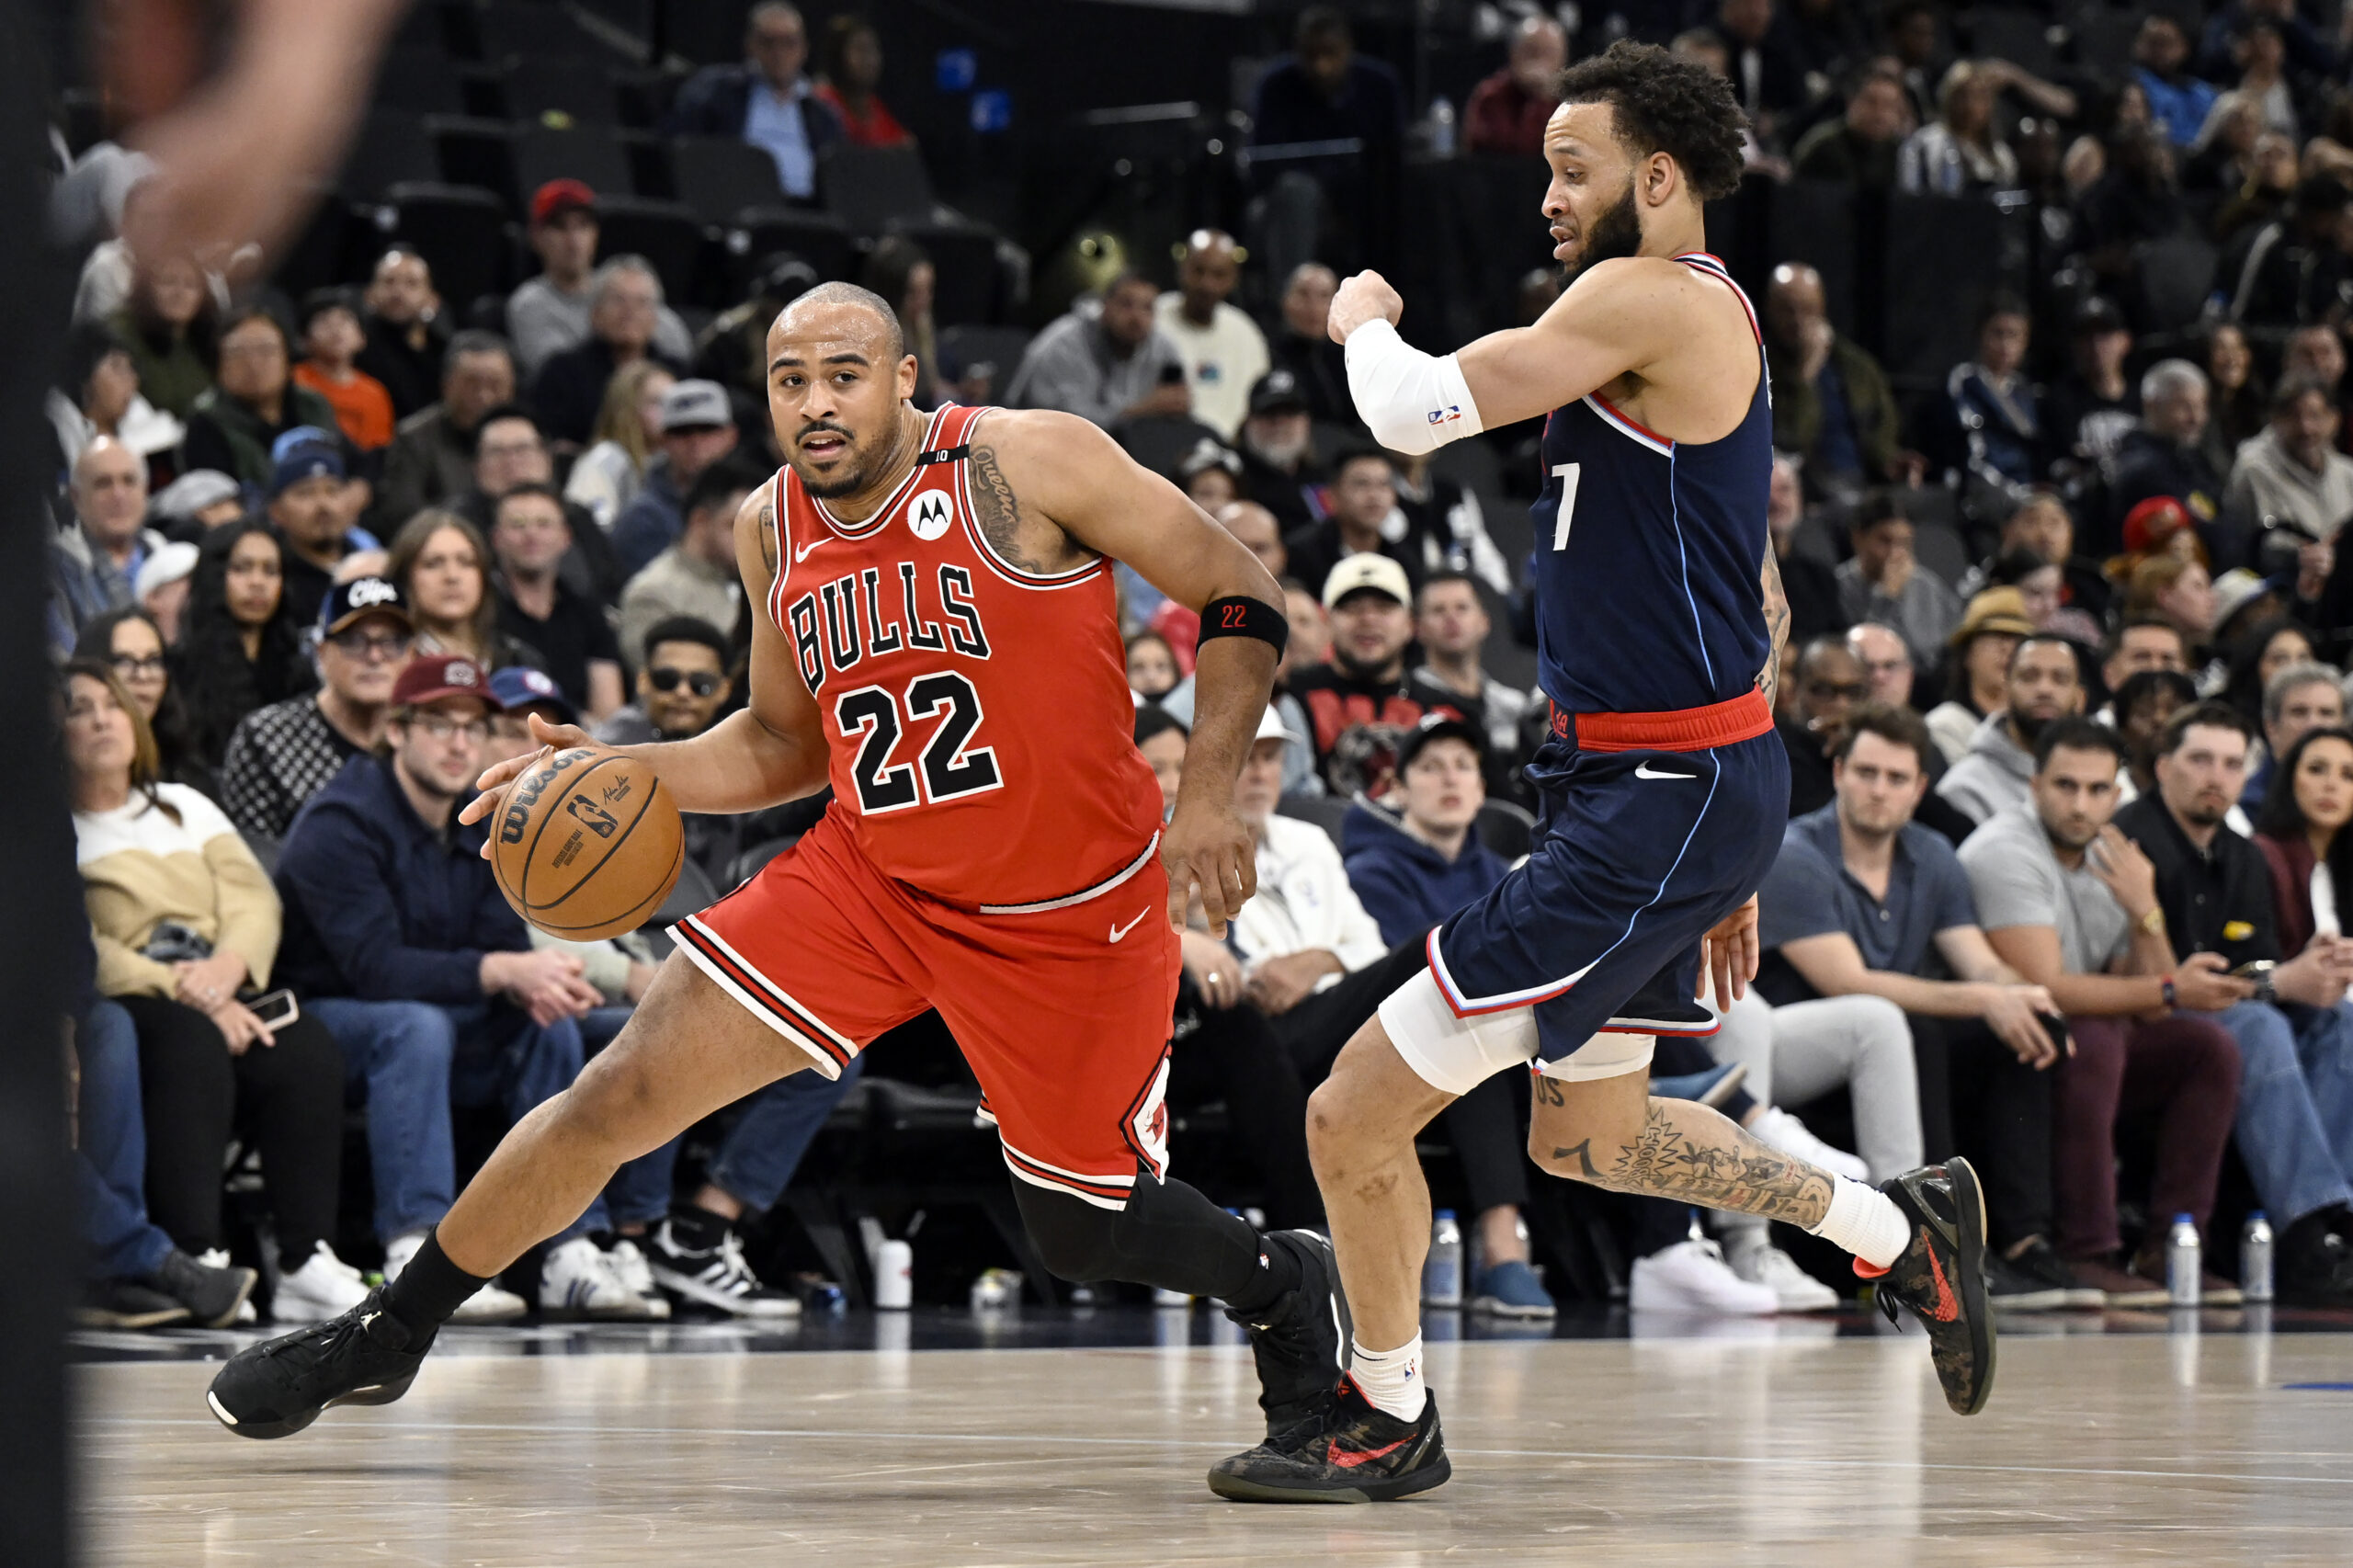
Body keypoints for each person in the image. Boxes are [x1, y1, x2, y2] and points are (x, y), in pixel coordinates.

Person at [210, 281, 1348, 1472]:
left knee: (1084, 1229)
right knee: (620, 1089)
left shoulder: (1025, 461)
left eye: (843, 373)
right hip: (876, 879)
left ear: (905, 378)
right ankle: (395, 1327)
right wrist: (622, 767)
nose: (815, 402)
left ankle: (1282, 1282)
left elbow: (1239, 588)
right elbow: (781, 744)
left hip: (1064, 908)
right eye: (789, 379)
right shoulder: (772, 524)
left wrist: (1208, 792)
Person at [1219, 42, 1994, 1505]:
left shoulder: (1648, 293)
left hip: (1657, 797)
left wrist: (1363, 319)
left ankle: (1385, 1415)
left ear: (1657, 174)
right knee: (1591, 1129)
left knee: (1352, 1110)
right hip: (1664, 790)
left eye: (1571, 169)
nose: (1549, 200)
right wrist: (1727, 833)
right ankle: (1896, 1229)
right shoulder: (1686, 329)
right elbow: (1754, 591)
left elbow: (1408, 413)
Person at [272, 653, 660, 1323]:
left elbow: (506, 945)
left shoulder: (484, 821)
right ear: (396, 730)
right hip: (329, 1025)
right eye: (438, 724)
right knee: (413, 1024)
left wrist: (539, 984)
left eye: (473, 727)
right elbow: (375, 968)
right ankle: (414, 1250)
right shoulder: (339, 822)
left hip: (446, 1022)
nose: (458, 743)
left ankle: (571, 1249)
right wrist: (503, 974)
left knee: (564, 1026)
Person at [63, 661, 367, 1324]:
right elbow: (81, 944)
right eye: (77, 709)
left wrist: (228, 970)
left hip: (221, 980)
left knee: (303, 1046)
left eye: (110, 705)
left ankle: (303, 1261)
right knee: (188, 1042)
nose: (98, 719)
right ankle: (195, 1249)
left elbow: (254, 898)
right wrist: (183, 986)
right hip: (143, 990)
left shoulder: (186, 804)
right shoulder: (59, 826)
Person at [1756, 706, 2080, 1308]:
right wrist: (1987, 996)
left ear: (1920, 788)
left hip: (1890, 1047)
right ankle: (1929, 1247)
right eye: (1867, 773)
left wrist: (2016, 995)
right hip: (1805, 1050)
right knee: (1917, 1030)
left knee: (2017, 1037)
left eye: (1897, 778)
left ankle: (2025, 1244)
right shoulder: (1795, 853)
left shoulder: (1931, 855)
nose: (1880, 790)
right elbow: (1846, 981)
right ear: (1838, 773)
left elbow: (1977, 961)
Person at [1959, 718, 2246, 1302]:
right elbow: (2049, 986)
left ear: (2117, 796)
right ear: (2034, 785)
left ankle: (2170, 1249)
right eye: (2065, 786)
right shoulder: (2003, 850)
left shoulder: (2115, 857)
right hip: (1991, 1036)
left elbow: (2152, 1000)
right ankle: (2085, 1249)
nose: (2080, 805)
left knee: (2207, 1049)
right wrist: (2169, 990)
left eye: (2096, 790)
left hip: (2079, 1040)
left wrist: (2145, 910)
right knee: (2095, 1035)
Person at [2114, 703, 2353, 1305]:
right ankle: (2304, 1227)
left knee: (2340, 1019)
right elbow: (2165, 980)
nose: (2215, 776)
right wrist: (2277, 983)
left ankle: (2335, 1218)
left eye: (2229, 763)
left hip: (2226, 1012)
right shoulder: (2128, 841)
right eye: (2200, 760)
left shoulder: (2241, 855)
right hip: (2143, 1015)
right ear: (2163, 766)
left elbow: (2255, 966)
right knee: (2260, 1024)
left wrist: (2301, 976)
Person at [217, 574, 411, 844]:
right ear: (321, 652)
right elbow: (252, 863)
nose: (375, 656)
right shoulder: (267, 738)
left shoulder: (426, 736)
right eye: (354, 641)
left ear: (411, 655)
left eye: (391, 642)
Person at [506, 181, 695, 381]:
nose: (573, 240)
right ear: (536, 237)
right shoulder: (531, 303)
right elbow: (557, 376)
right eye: (560, 227)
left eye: (583, 226)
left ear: (595, 234)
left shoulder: (619, 285)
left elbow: (678, 348)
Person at [665, 1, 846, 203]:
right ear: (750, 45)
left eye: (788, 43)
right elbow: (684, 151)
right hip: (738, 205)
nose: (778, 53)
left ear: (804, 49)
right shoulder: (716, 93)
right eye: (768, 42)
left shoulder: (822, 114)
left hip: (805, 214)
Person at [1766, 263, 1915, 500]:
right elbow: (1789, 444)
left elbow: (1882, 429)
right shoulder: (1760, 367)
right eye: (1788, 310)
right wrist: (1805, 376)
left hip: (1862, 485)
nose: (1798, 320)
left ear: (1822, 308)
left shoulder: (1856, 367)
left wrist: (1891, 461)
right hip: (1805, 491)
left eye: (1807, 309)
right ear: (1770, 310)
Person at [173, 522, 314, 767]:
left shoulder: (298, 673)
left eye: (270, 570)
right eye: (242, 569)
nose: (257, 582)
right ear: (215, 576)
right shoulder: (180, 669)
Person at [1288, 554, 1428, 796]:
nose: (1368, 619)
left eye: (1384, 608)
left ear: (1410, 624)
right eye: (1353, 608)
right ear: (1327, 622)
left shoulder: (1447, 709)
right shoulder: (1287, 696)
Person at [488, 483, 623, 719]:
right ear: (496, 539)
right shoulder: (482, 611)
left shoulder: (588, 614)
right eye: (518, 525)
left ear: (566, 537)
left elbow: (609, 715)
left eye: (544, 524)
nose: (531, 534)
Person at [529, 257, 687, 450]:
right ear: (595, 312)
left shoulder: (677, 373)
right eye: (618, 300)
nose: (630, 311)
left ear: (655, 318)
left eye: (642, 302)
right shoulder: (561, 372)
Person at [617, 459, 756, 671]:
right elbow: (659, 684)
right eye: (737, 526)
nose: (754, 540)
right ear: (700, 521)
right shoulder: (653, 593)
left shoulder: (753, 583)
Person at [181, 308, 343, 491]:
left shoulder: (312, 405)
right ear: (218, 363)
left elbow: (354, 462)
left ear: (287, 358)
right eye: (238, 353)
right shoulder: (205, 422)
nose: (253, 363)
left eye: (266, 350)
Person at [1006, 273, 1187, 431]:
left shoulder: (1162, 348)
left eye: (1147, 308)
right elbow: (1062, 424)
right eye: (1126, 304)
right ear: (1105, 305)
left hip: (1125, 453)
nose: (1136, 317)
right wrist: (1139, 411)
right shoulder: (1064, 345)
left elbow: (1181, 405)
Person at [1407, 571, 1532, 799]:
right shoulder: (1408, 701)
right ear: (1418, 628)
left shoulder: (1514, 707)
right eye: (1438, 610)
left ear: (1484, 622)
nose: (1451, 618)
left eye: (1462, 608)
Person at [1938, 634, 2086, 825]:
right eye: (2029, 677)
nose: (2044, 689)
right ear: (2005, 689)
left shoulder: (2102, 779)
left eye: (2060, 679)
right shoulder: (1965, 788)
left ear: (2080, 698)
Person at [376, 332, 519, 525]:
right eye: (472, 384)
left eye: (495, 385)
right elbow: (402, 516)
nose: (484, 395)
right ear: (447, 385)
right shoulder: (415, 439)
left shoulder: (526, 439)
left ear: (511, 389)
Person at [74, 608, 212, 799]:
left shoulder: (186, 763)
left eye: (154, 661)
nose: (143, 676)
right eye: (124, 661)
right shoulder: (68, 780)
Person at [611, 379, 742, 578]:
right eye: (682, 432)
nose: (695, 443)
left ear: (731, 436)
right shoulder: (642, 518)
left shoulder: (757, 498)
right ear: (663, 440)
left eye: (707, 429)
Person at [383, 510, 537, 672]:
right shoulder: (386, 661)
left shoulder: (517, 660)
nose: (452, 576)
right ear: (406, 577)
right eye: (433, 563)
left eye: (466, 562)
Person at [49, 437, 162, 654]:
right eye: (103, 483)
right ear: (76, 496)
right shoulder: (58, 571)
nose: (118, 495)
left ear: (145, 490)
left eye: (129, 481)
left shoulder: (166, 556)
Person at [1153, 231, 1269, 442]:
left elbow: (1260, 404)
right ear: (1181, 270)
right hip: (1157, 446)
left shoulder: (1246, 333)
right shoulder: (1152, 318)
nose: (1207, 284)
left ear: (1234, 279)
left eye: (1219, 274)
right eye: (1198, 271)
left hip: (1230, 452)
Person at [1283, 448, 1429, 601]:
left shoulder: (1404, 560)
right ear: (1332, 495)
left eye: (1383, 485)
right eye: (1361, 484)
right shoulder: (1301, 555)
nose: (1374, 495)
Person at [1837, 493, 1963, 669]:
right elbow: (1858, 657)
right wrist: (1886, 597)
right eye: (1885, 541)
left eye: (1904, 543)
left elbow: (1953, 647)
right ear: (1858, 538)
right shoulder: (1838, 588)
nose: (1895, 554)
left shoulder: (1929, 586)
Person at [2224, 377, 2353, 547]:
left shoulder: (2347, 472)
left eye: (2315, 416)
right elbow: (2266, 547)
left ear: (2334, 420)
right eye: (2294, 417)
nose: (2306, 428)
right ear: (2275, 420)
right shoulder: (2254, 469)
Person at [1927, 586, 2035, 766]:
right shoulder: (1945, 725)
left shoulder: (2036, 727)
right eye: (1996, 636)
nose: (2007, 649)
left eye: (2017, 640)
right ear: (1967, 654)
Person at [563, 360, 674, 533]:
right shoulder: (605, 459)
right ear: (627, 408)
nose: (669, 411)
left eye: (673, 401)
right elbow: (592, 530)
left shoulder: (669, 461)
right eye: (656, 402)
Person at [595, 615, 736, 750]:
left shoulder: (739, 752)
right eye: (667, 680)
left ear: (724, 690)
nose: (682, 692)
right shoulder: (607, 751)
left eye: (700, 683)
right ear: (642, 681)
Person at [266, 436, 364, 631]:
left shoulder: (372, 569)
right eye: (305, 493)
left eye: (333, 491)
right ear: (276, 511)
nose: (323, 505)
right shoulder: (273, 582)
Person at [108, 248, 215, 422]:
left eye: (190, 285)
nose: (179, 293)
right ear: (147, 288)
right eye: (168, 282)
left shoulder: (209, 339)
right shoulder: (119, 333)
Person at [291, 288, 393, 454]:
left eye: (345, 321)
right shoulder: (293, 381)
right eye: (324, 321)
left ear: (362, 337)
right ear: (303, 339)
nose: (335, 329)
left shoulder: (374, 393)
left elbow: (376, 453)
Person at [355, 246, 449, 422]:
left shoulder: (446, 354)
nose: (398, 292)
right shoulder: (357, 349)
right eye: (389, 282)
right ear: (369, 295)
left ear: (433, 301)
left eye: (411, 283)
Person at [2244, 658, 2344, 817]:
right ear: (2271, 727)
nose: (2314, 724)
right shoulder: (2246, 808)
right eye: (2299, 712)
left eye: (2326, 713)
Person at [1777, 636, 1865, 815]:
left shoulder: (1883, 748)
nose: (1842, 704)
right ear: (1794, 692)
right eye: (1824, 691)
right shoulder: (1776, 752)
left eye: (1853, 692)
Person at [1264, 263, 1356, 433]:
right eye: (1303, 294)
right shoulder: (1266, 355)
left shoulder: (1351, 358)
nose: (1312, 307)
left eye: (1323, 297)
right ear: (1285, 301)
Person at [1233, 369, 1328, 531]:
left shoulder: (1322, 480)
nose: (1279, 422)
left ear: (1306, 421)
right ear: (1248, 421)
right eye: (1269, 413)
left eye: (1290, 413)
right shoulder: (1233, 478)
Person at [1464, 16, 1567, 157]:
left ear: (1562, 59)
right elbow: (1495, 150)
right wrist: (1533, 98)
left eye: (1548, 52)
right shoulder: (1491, 95)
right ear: (1513, 53)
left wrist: (1544, 98)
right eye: (1531, 51)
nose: (1539, 61)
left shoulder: (1571, 101)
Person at [1790, 67, 1909, 187]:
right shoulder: (1822, 148)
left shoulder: (1901, 153)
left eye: (1889, 105)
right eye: (1871, 102)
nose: (1880, 114)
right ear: (1851, 102)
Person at [813, 14, 912, 149]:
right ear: (837, 55)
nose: (870, 60)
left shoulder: (875, 107)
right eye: (861, 50)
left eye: (873, 50)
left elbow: (904, 146)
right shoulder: (821, 103)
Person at [2136, 15, 2220, 148]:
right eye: (2153, 43)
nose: (2160, 51)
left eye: (2166, 44)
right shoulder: (2134, 85)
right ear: (2139, 45)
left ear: (2183, 48)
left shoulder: (2203, 92)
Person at [1847, 620, 1916, 711]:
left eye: (1890, 666)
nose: (1879, 677)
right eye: (1866, 667)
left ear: (1909, 675)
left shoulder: (1932, 724)